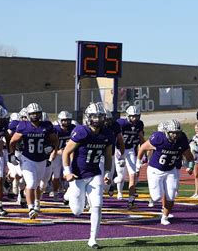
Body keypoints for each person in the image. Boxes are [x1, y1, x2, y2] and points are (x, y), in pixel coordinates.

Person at [62, 102, 113, 249]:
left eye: (100, 116)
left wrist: (108, 173)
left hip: (95, 173)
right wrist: (67, 172)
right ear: (88, 117)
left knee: (97, 205)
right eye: (94, 116)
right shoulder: (81, 131)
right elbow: (66, 152)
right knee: (77, 211)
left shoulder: (107, 134)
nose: (97, 119)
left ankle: (93, 239)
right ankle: (69, 192)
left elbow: (108, 156)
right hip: (78, 175)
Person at [137, 119, 194, 226]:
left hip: (171, 169)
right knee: (157, 197)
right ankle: (153, 197)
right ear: (167, 132)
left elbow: (189, 156)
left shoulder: (182, 139)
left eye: (177, 133)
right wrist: (138, 162)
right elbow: (143, 147)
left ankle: (165, 217)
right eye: (172, 133)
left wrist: (190, 165)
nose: (175, 135)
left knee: (171, 195)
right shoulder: (159, 138)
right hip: (155, 169)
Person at [9, 103, 58, 219]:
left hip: (41, 159)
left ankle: (36, 202)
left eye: (37, 113)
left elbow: (55, 141)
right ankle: (31, 208)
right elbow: (12, 141)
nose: (35, 115)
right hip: (27, 159)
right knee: (30, 183)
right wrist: (11, 154)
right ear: (28, 115)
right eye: (32, 113)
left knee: (37, 185)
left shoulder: (46, 126)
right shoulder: (23, 126)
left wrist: (51, 148)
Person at [42, 111, 76, 201]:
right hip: (56, 153)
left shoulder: (73, 128)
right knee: (55, 175)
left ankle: (60, 191)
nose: (66, 122)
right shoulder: (56, 129)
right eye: (64, 120)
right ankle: (54, 190)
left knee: (69, 172)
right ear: (60, 120)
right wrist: (56, 151)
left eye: (68, 120)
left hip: (67, 153)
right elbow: (52, 143)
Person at [115, 105, 145, 209]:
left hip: (131, 149)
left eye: (136, 116)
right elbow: (116, 138)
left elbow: (141, 138)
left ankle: (131, 199)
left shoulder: (139, 124)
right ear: (127, 116)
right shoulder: (121, 123)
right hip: (119, 150)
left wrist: (144, 151)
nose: (135, 119)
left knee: (133, 174)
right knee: (121, 176)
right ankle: (117, 189)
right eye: (132, 116)